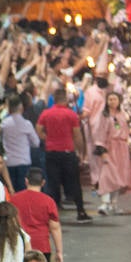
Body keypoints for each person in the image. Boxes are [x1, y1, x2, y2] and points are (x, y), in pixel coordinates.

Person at [35, 87, 90, 222]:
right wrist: (81, 152)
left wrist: (47, 138)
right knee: (75, 182)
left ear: (54, 99)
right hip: (67, 152)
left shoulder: (46, 113)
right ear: (65, 99)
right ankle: (80, 211)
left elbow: (38, 130)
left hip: (51, 152)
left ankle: (52, 214)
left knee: (53, 183)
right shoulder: (71, 114)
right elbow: (77, 135)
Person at [90, 90, 131, 215]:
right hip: (110, 147)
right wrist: (102, 149)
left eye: (115, 99)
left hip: (122, 148)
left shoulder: (122, 114)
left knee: (119, 176)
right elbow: (99, 132)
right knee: (107, 175)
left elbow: (123, 129)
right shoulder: (103, 115)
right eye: (110, 99)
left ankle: (114, 203)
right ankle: (105, 203)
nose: (112, 101)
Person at [11, 169, 62, 262]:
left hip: (19, 245)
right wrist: (59, 251)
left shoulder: (14, 200)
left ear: (26, 181)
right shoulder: (48, 201)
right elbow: (55, 228)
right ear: (43, 183)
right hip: (42, 247)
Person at [0, 95, 40, 194]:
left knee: (11, 192)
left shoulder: (4, 124)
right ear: (21, 107)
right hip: (23, 161)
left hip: (9, 162)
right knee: (23, 192)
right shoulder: (26, 124)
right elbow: (36, 143)